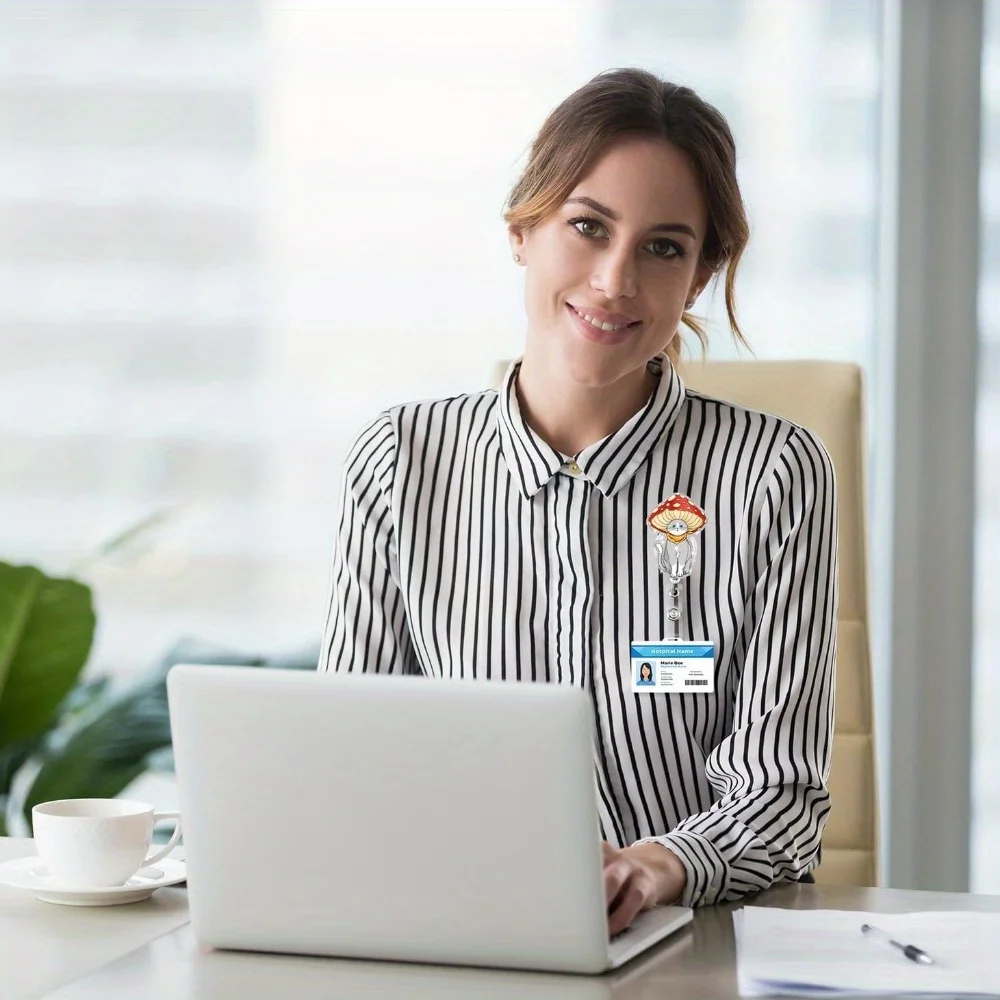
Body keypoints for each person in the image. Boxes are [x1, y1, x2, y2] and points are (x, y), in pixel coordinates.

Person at [318, 68, 838, 936]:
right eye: (588, 227)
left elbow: (780, 798)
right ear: (522, 230)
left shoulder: (773, 473)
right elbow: (351, 757)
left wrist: (659, 866)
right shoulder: (399, 462)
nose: (614, 280)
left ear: (700, 276)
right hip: (457, 936)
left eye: (663, 248)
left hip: (689, 949)